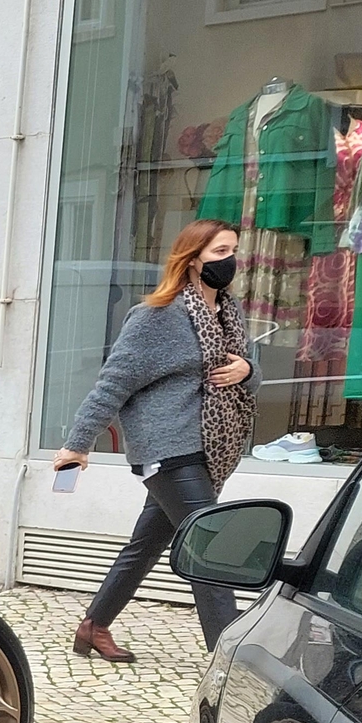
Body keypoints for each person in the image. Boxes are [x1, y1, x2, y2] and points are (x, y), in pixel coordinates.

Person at [53, 220, 256, 658]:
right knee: (208, 546)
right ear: (192, 259)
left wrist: (248, 371)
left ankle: (93, 626)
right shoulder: (156, 316)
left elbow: (246, 377)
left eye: (233, 250)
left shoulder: (229, 316)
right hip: (167, 450)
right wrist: (78, 444)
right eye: (220, 251)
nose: (230, 260)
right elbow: (112, 384)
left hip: (209, 449)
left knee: (146, 545)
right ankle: (228, 659)